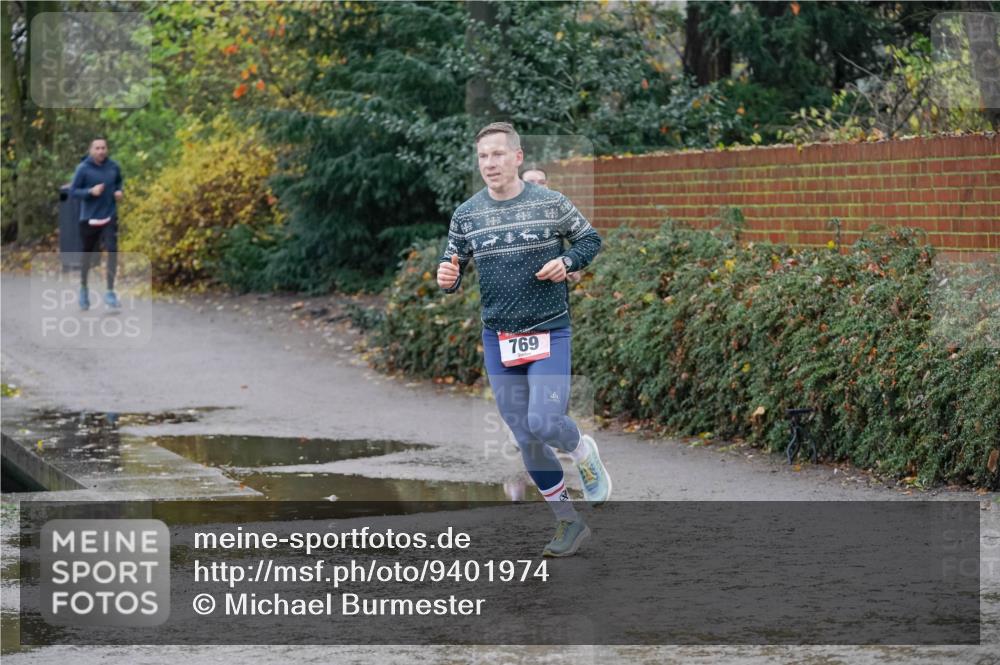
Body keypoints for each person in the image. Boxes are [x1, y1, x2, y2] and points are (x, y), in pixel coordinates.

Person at [437, 122, 611, 557]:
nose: (490, 163)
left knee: (545, 422)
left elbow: (590, 239)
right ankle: (568, 523)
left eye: (498, 154)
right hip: (499, 338)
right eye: (483, 157)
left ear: (517, 158)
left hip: (549, 331)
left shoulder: (551, 204)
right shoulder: (467, 214)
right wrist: (447, 277)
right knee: (525, 433)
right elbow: (451, 265)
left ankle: (581, 449)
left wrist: (567, 259)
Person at [69, 137, 124, 310]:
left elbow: (119, 182)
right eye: (97, 148)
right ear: (91, 150)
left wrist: (119, 191)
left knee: (112, 251)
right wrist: (90, 191)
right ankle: (84, 288)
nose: (101, 151)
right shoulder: (83, 169)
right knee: (89, 256)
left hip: (109, 216)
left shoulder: (113, 167)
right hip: (89, 219)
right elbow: (73, 192)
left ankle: (110, 292)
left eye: (103, 148)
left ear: (107, 149)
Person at [520, 164, 582, 284]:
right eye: (530, 182)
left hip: (551, 291)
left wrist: (570, 263)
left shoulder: (557, 213)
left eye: (542, 182)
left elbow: (584, 240)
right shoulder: (505, 214)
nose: (537, 186)